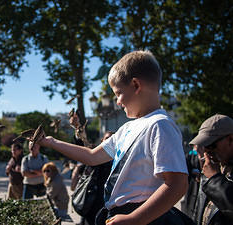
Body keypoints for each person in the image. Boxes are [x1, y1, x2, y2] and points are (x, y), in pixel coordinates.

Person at [38, 50, 189, 225]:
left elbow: (177, 185)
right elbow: (92, 156)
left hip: (144, 216)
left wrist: (135, 219)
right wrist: (51, 142)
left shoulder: (160, 125)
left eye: (118, 93)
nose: (117, 101)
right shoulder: (127, 128)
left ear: (135, 85)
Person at [189, 114, 233, 225]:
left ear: (230, 139)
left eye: (211, 144)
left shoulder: (213, 175)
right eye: (203, 145)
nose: (207, 151)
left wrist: (214, 179)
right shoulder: (213, 169)